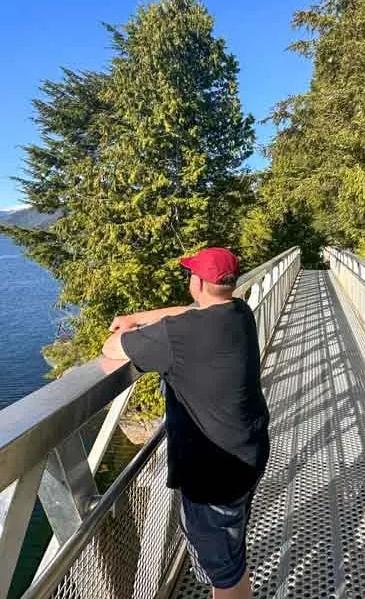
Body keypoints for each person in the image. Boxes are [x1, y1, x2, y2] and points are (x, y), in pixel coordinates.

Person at [101, 247, 269, 599]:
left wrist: (126, 326)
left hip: (214, 473)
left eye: (192, 274)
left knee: (222, 573)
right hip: (247, 453)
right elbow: (188, 315)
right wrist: (139, 316)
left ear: (199, 282)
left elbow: (113, 347)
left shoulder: (180, 336)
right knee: (230, 552)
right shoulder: (238, 312)